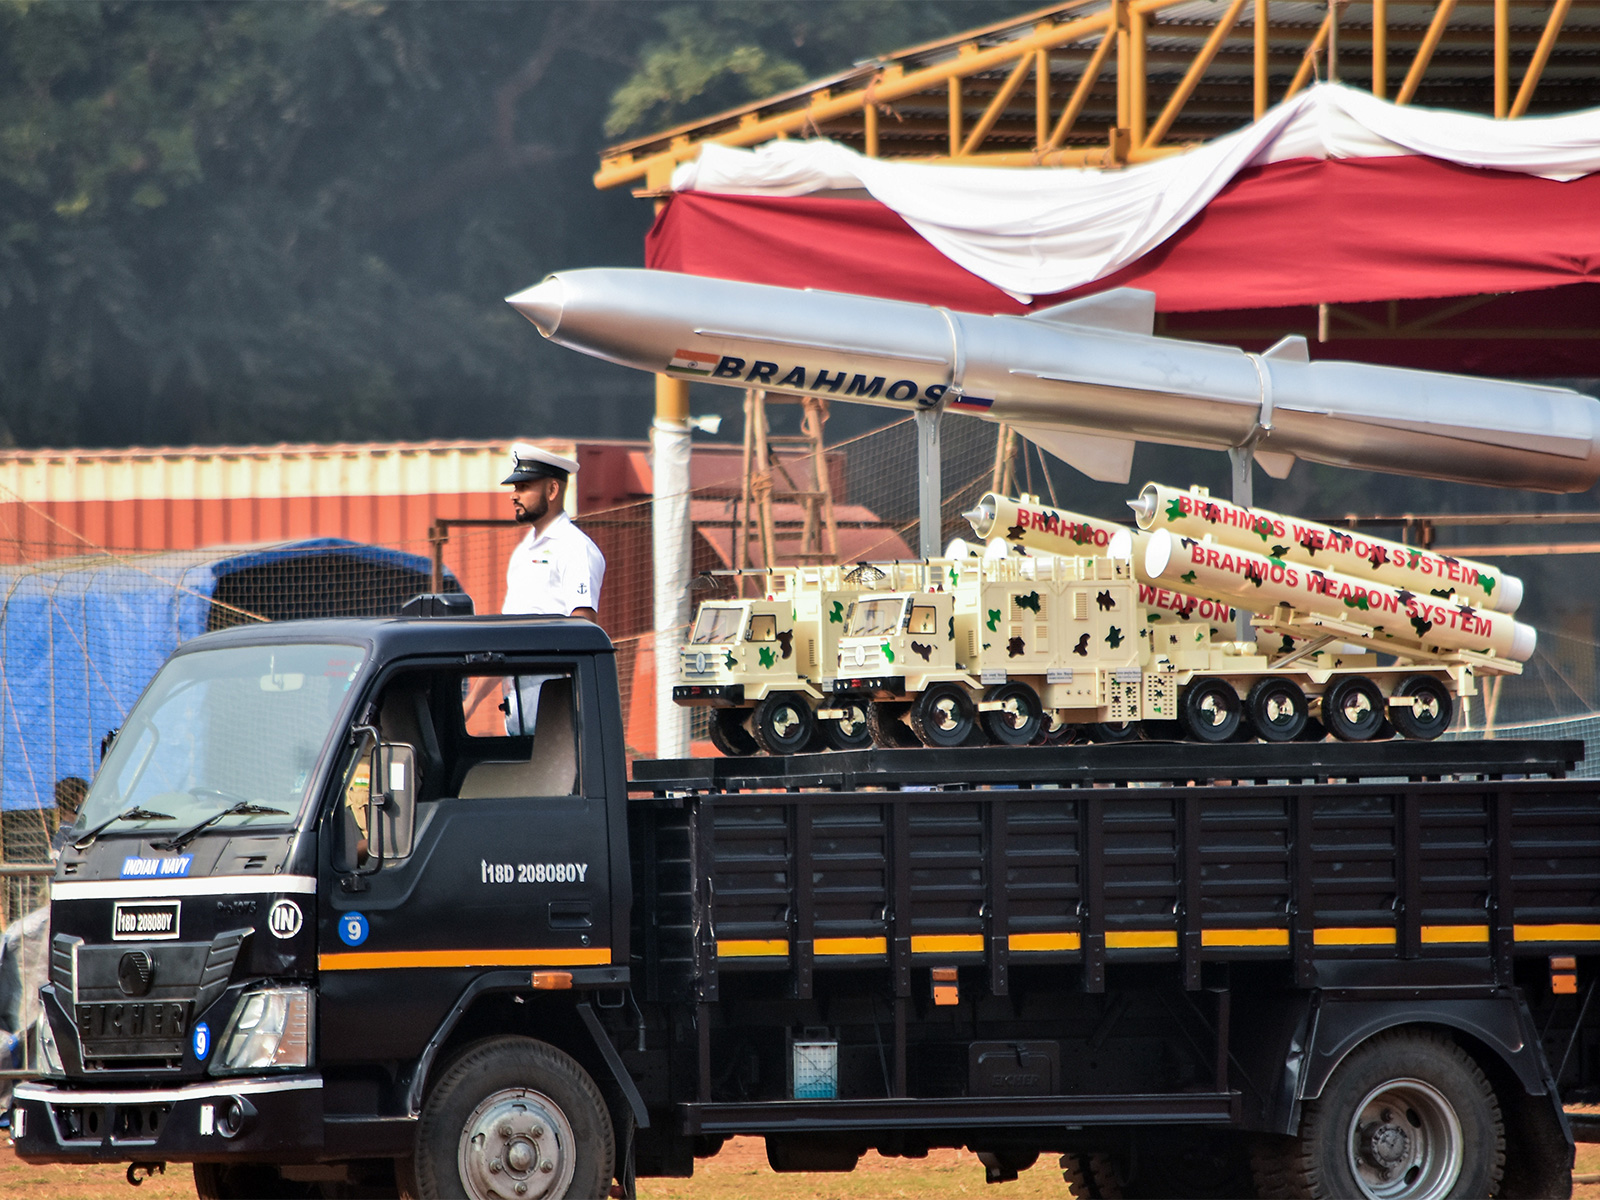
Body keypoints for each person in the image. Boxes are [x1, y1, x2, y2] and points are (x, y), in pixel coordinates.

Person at [465, 444, 605, 731]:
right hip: (520, 715)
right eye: (515, 487)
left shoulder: (574, 548)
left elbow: (584, 629)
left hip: (559, 717)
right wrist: (470, 704)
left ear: (552, 490)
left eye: (524, 486)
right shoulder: (523, 551)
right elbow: (507, 638)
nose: (514, 495)